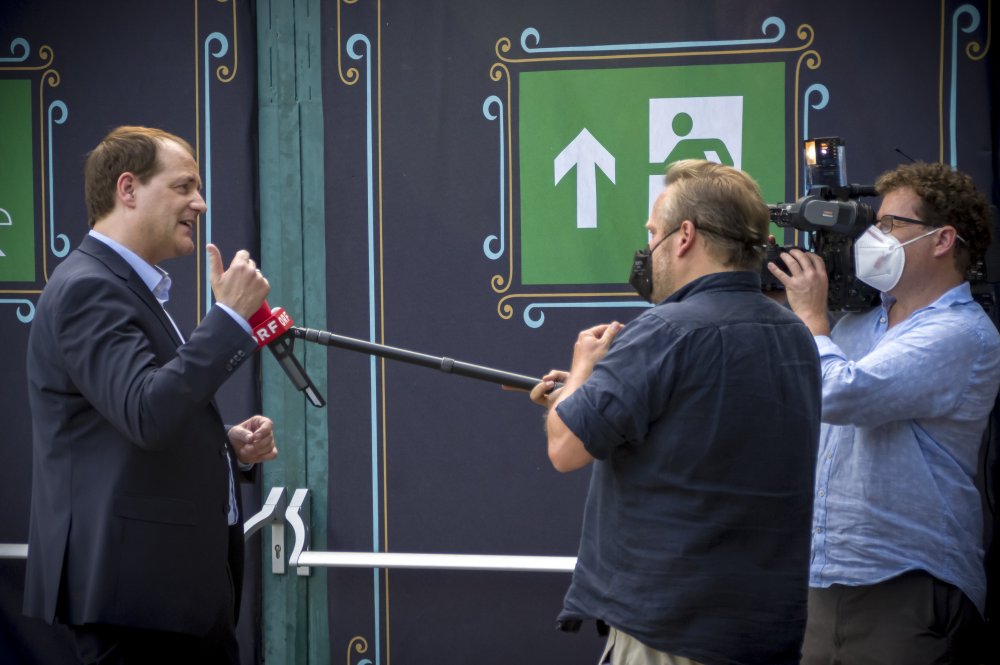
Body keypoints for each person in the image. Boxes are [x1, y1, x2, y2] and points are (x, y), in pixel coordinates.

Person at [529, 159, 823, 664]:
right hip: (764, 631)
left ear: (684, 236)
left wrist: (582, 372)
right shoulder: (796, 335)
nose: (648, 248)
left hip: (668, 631)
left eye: (653, 233)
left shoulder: (665, 331)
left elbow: (565, 447)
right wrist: (586, 394)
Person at [22, 125, 278, 664]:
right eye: (184, 186)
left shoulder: (122, 285)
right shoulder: (89, 287)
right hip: (136, 603)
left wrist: (222, 444)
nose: (200, 203)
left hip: (167, 599)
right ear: (128, 189)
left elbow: (124, 419)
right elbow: (145, 412)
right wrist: (229, 318)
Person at [769, 161, 1000, 664]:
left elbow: (840, 395)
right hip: (824, 577)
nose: (874, 237)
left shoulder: (961, 333)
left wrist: (810, 315)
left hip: (905, 582)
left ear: (942, 240)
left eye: (891, 224)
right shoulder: (855, 324)